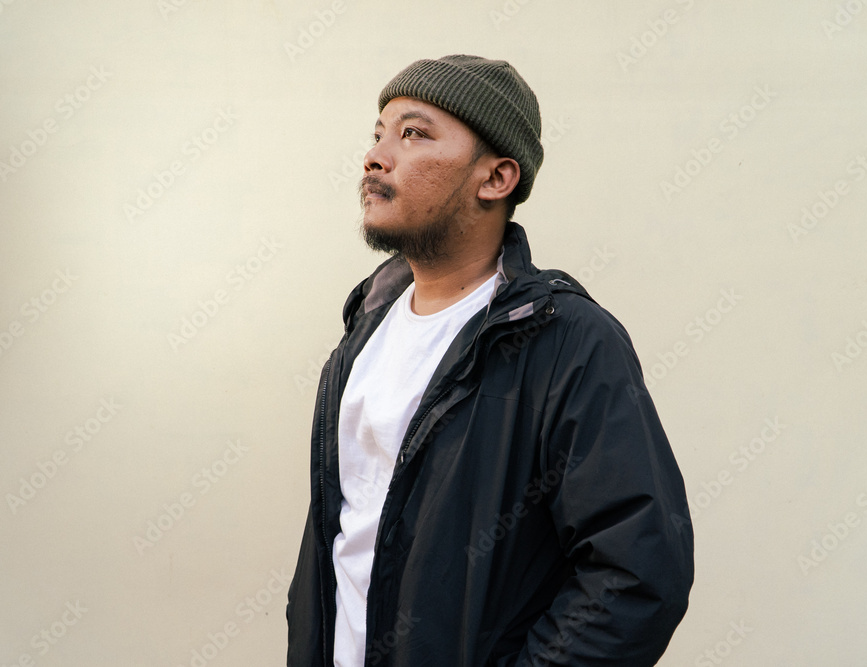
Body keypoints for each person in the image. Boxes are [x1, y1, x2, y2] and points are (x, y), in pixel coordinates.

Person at [287, 54, 694, 666]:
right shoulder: (365, 325)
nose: (375, 156)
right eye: (378, 133)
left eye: (413, 133)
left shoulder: (566, 340)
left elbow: (637, 573)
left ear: (497, 178)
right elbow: (345, 541)